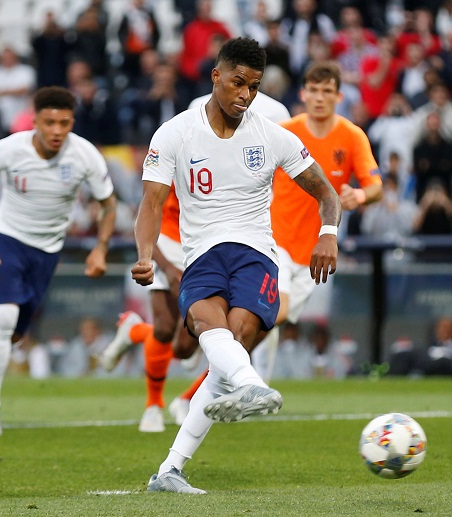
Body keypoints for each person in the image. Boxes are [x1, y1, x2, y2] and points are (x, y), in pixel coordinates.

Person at [132, 37, 340, 494]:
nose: (244, 95)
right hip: (201, 253)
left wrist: (328, 234)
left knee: (232, 342)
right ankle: (246, 386)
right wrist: (146, 255)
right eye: (238, 83)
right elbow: (150, 204)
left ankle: (171, 469)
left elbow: (327, 192)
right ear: (216, 76)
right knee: (212, 332)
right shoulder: (176, 133)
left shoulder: (273, 135)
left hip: (256, 253)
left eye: (254, 86)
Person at [100, 88, 291, 433]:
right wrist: (165, 264)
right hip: (172, 241)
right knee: (164, 326)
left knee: (188, 347)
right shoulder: (177, 148)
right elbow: (150, 209)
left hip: (207, 244)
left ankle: (145, 345)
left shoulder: (240, 158)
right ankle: (153, 405)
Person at [0, 86, 117, 437]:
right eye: (49, 122)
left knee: (12, 336)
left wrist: (101, 248)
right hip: (6, 239)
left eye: (64, 123)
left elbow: (108, 203)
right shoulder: (9, 149)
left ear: (72, 123)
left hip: (47, 251)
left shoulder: (85, 156)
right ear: (34, 121)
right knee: (3, 318)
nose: (56, 131)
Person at [258, 61, 382, 381]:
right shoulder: (285, 132)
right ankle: (240, 382)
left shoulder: (352, 136)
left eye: (327, 91)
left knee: (272, 318)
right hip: (276, 241)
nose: (319, 98)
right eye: (313, 90)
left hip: (316, 253)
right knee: (274, 311)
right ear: (303, 94)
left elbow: (375, 185)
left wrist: (361, 196)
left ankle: (246, 380)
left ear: (338, 96)